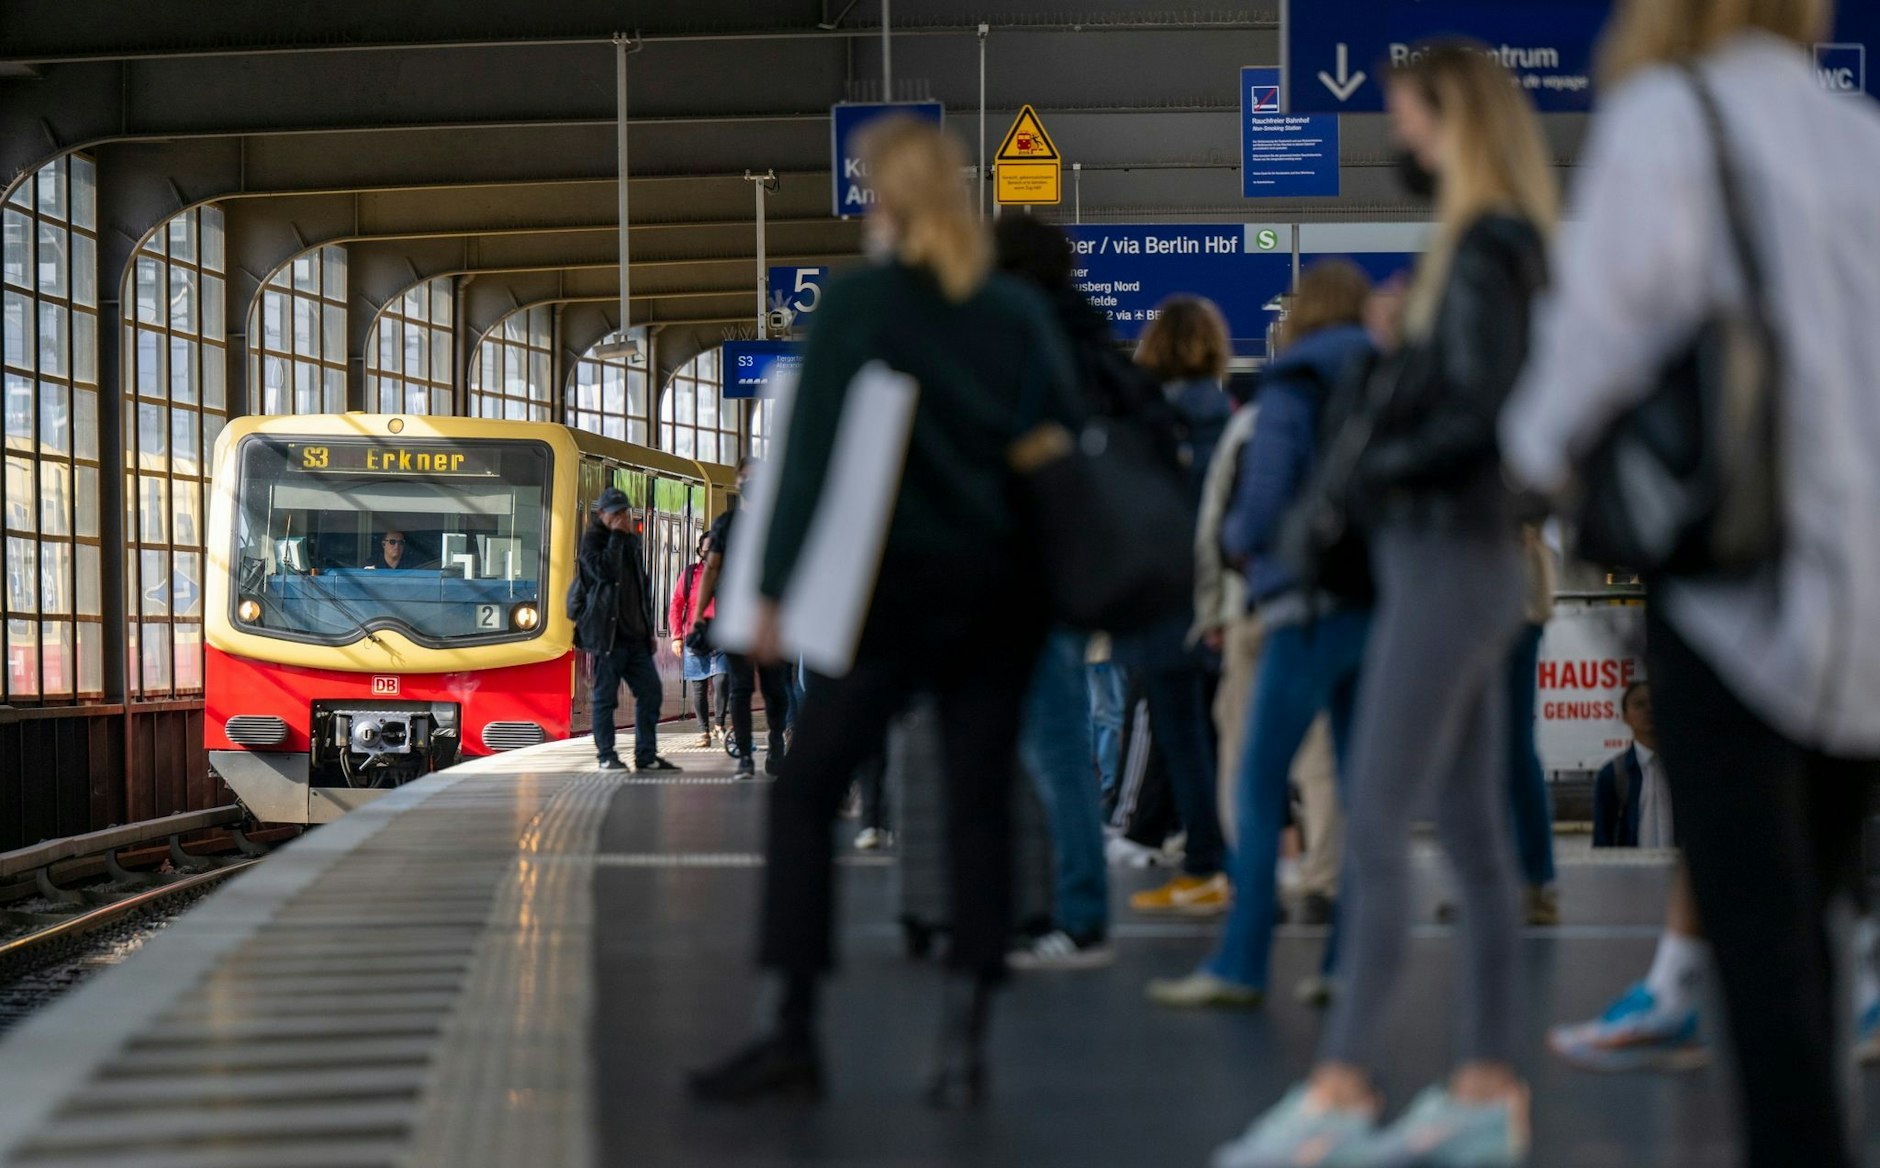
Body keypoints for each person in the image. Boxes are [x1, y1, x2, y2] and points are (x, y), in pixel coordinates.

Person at [1502, 8, 1880, 1159]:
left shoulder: (1670, 117)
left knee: (1762, 966)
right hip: (1863, 614)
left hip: (1733, 600)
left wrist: (1520, 463)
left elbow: (1588, 345)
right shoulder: (1858, 133)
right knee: (1808, 936)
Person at [686, 118, 1080, 1106]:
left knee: (806, 791)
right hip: (1001, 596)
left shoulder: (862, 305)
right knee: (977, 800)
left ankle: (792, 1031)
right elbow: (1060, 435)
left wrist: (770, 593)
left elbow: (809, 459)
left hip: (892, 594)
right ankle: (965, 1039)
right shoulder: (1012, 311)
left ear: (883, 200)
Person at [1216, 43, 1555, 1167]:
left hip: (1443, 558)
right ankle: (1486, 1083)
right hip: (1458, 561)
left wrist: (1368, 479)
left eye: (1407, 118)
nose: (1398, 139)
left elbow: (1483, 417)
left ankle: (1345, 1083)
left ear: (1453, 120)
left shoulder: (1486, 249)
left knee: (1372, 815)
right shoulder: (1491, 249)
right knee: (1470, 833)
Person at [1149, 259, 1375, 1012]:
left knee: (1256, 775)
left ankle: (1243, 961)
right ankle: (1345, 961)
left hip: (1297, 607)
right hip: (1373, 606)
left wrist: (1243, 548)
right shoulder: (1388, 381)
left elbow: (1258, 506)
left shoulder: (1292, 388)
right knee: (1350, 777)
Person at [992, 212, 1134, 970]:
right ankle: (1052, 904)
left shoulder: (1033, 340)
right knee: (1056, 739)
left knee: (1053, 744)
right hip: (1072, 561)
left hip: (1035, 565)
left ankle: (1078, 916)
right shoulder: (1088, 336)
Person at [1117, 295, 1234, 919]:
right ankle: (1215, 861)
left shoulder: (1156, 421)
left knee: (1179, 736)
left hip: (1165, 599)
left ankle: (1206, 865)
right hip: (1219, 601)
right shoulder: (1227, 415)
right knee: (1214, 738)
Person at [693, 460, 792, 778]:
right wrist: (698, 614)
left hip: (773, 615)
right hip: (737, 615)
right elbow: (711, 569)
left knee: (775, 689)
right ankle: (747, 756)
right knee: (741, 687)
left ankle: (775, 744)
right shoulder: (727, 523)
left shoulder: (781, 520)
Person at [574, 488, 680, 774]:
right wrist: (618, 538)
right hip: (607, 638)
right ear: (601, 514)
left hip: (635, 638)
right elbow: (603, 573)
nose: (622, 518)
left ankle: (646, 755)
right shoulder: (592, 541)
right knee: (605, 698)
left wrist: (648, 630)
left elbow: (641, 587)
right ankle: (606, 756)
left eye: (624, 512)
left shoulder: (631, 542)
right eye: (615, 513)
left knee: (651, 692)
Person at [1591, 681, 1672, 848]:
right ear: (1625, 717)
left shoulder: (1688, 771)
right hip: (1631, 865)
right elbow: (1602, 841)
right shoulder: (1613, 774)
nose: (1649, 709)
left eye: (1656, 702)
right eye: (1639, 704)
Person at [669, 533, 728, 748]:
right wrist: (676, 636)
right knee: (699, 687)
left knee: (722, 680)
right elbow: (676, 604)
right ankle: (703, 731)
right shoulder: (689, 574)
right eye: (707, 549)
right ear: (700, 551)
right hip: (695, 637)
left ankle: (719, 725)